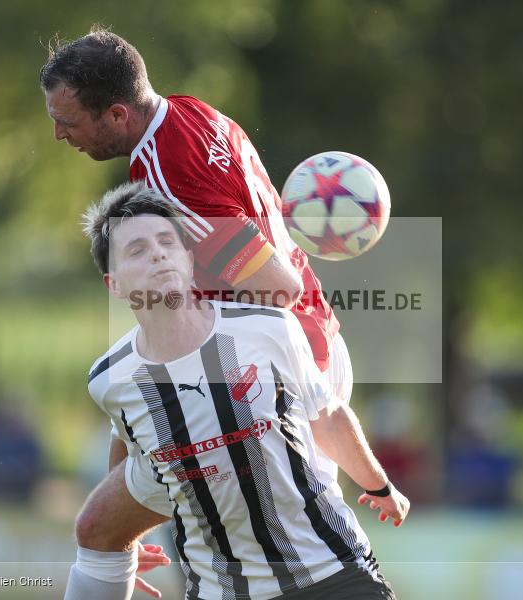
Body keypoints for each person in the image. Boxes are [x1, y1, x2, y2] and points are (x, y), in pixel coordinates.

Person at [40, 25, 408, 598]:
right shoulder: (189, 111)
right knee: (104, 527)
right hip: (283, 349)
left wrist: (222, 348)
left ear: (116, 115)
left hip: (264, 371)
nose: (59, 135)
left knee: (294, 553)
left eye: (68, 121)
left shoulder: (170, 177)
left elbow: (276, 288)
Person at [68, 181, 401, 599]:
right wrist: (124, 543)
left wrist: (379, 487)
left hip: (332, 575)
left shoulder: (267, 328)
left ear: (189, 261)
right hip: (218, 591)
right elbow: (130, 448)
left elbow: (329, 417)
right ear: (113, 285)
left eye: (167, 242)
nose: (157, 253)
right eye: (136, 250)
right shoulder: (111, 378)